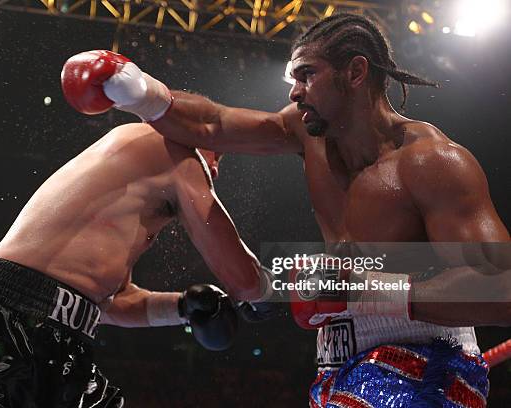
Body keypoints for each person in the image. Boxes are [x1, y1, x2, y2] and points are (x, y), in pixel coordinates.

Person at [61, 13, 511, 407]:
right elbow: (213, 123)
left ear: (355, 72)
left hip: (424, 364)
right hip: (337, 364)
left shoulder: (432, 162)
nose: (294, 92)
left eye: (306, 75)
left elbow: (501, 288)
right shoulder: (305, 133)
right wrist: (138, 92)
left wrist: (366, 287)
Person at [0, 122, 274, 407]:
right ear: (191, 128)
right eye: (217, 157)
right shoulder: (169, 146)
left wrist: (184, 307)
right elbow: (240, 275)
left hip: (59, 337)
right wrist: (263, 291)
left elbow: (112, 303)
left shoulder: (131, 191)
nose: (213, 169)